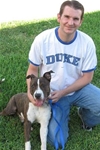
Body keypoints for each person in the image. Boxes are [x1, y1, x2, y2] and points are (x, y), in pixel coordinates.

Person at [26, 0, 100, 149]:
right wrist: (30, 92)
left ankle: (85, 117)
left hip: (78, 89)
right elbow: (33, 69)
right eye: (66, 17)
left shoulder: (87, 43)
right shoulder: (43, 39)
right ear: (59, 17)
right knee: (57, 141)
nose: (70, 22)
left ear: (81, 21)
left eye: (75, 19)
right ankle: (62, 112)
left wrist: (64, 92)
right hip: (52, 94)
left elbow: (87, 77)